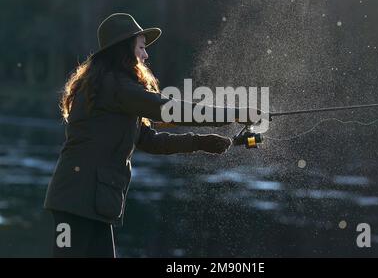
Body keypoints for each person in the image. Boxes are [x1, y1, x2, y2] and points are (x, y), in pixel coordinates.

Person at [44, 13, 259, 257]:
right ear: (123, 50)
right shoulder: (116, 88)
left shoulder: (114, 88)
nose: (146, 55)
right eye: (141, 48)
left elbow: (151, 141)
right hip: (77, 201)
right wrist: (236, 114)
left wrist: (201, 142)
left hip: (88, 201)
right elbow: (173, 110)